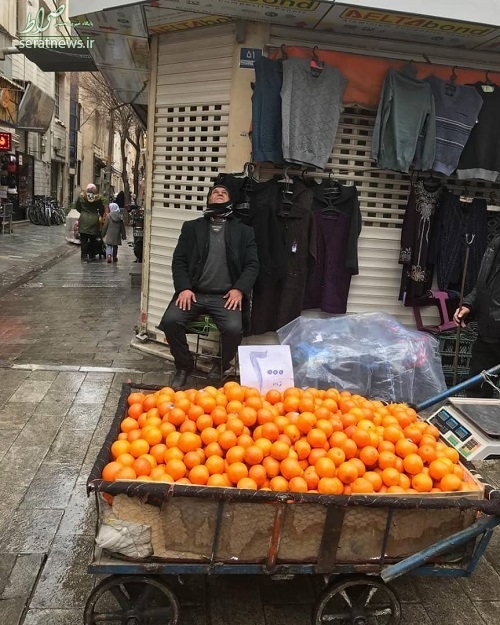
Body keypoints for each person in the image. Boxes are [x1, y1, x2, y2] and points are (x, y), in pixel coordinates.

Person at [158, 184, 259, 390]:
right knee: (171, 321)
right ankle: (184, 366)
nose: (219, 193)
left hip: (225, 297)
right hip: (193, 294)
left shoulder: (244, 231)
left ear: (230, 200)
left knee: (233, 329)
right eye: (215, 192)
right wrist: (184, 288)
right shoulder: (192, 227)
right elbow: (179, 261)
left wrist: (239, 289)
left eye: (224, 192)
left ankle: (221, 365)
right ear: (208, 199)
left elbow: (252, 264)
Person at [453, 236, 500, 398]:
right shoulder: (495, 244)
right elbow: (483, 286)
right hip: (487, 336)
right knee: (476, 391)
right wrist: (469, 305)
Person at [76, 184, 105, 262]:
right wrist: (101, 216)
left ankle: (84, 255)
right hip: (94, 220)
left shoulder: (81, 196)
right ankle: (92, 255)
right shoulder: (98, 198)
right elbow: (101, 209)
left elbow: (77, 207)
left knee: (84, 239)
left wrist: (83, 212)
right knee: (93, 239)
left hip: (83, 220)